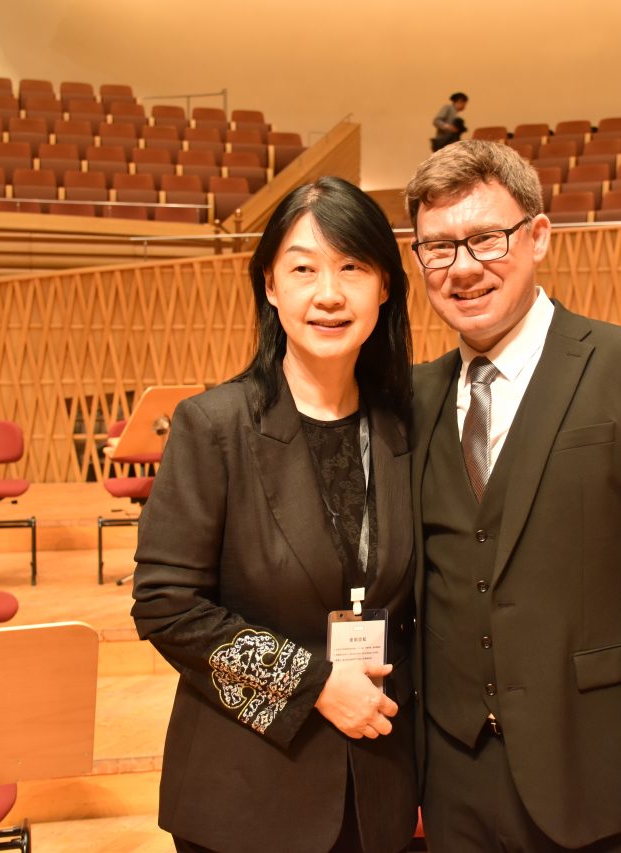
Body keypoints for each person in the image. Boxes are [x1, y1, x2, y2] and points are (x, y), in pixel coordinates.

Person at [404, 139, 621, 853]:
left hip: (602, 778)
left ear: (538, 236)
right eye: (438, 248)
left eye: (486, 238)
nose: (463, 267)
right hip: (454, 780)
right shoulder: (415, 397)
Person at [131, 176, 418, 853]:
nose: (329, 293)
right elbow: (166, 605)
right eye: (303, 269)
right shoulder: (215, 424)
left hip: (379, 788)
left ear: (384, 285)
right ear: (270, 285)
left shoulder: (408, 423)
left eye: (353, 267)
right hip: (247, 794)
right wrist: (313, 685)